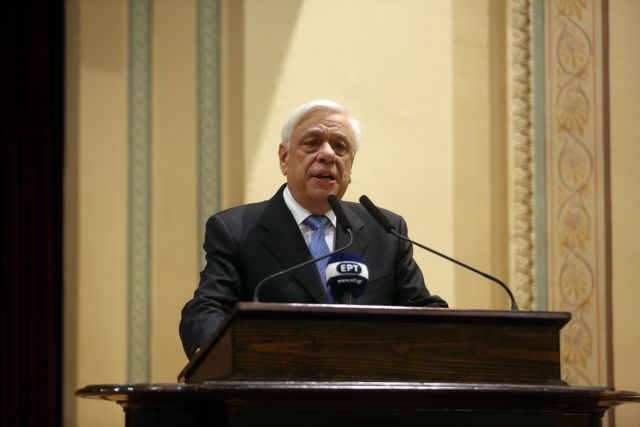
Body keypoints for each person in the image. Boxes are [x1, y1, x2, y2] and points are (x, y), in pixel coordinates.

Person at [179, 99, 447, 358]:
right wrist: (213, 351)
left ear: (350, 165)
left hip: (366, 380)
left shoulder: (385, 231)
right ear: (284, 158)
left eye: (340, 147)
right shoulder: (236, 229)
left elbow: (420, 308)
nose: (328, 154)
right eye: (312, 143)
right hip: (275, 379)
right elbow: (208, 307)